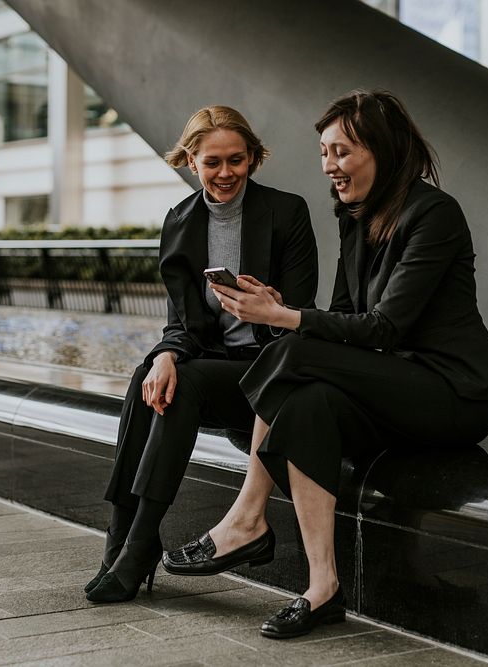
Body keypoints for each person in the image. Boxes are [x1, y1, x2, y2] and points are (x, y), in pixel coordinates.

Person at [162, 90, 488, 639]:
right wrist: (281, 307)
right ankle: (322, 587)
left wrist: (285, 318)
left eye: (341, 152)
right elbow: (346, 317)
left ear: (383, 149)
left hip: (453, 394)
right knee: (306, 401)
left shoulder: (434, 214)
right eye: (324, 154)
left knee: (291, 349)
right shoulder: (354, 215)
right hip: (392, 386)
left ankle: (248, 518)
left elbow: (384, 328)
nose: (330, 167)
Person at [84, 106, 319, 603]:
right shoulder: (181, 222)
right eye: (213, 162)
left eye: (237, 159)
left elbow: (302, 315)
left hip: (271, 371)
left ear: (253, 158)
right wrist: (166, 354)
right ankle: (120, 538)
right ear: (191, 161)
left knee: (180, 385)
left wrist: (269, 307)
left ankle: (138, 545)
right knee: (151, 375)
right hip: (217, 365)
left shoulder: (287, 212)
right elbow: (183, 323)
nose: (226, 172)